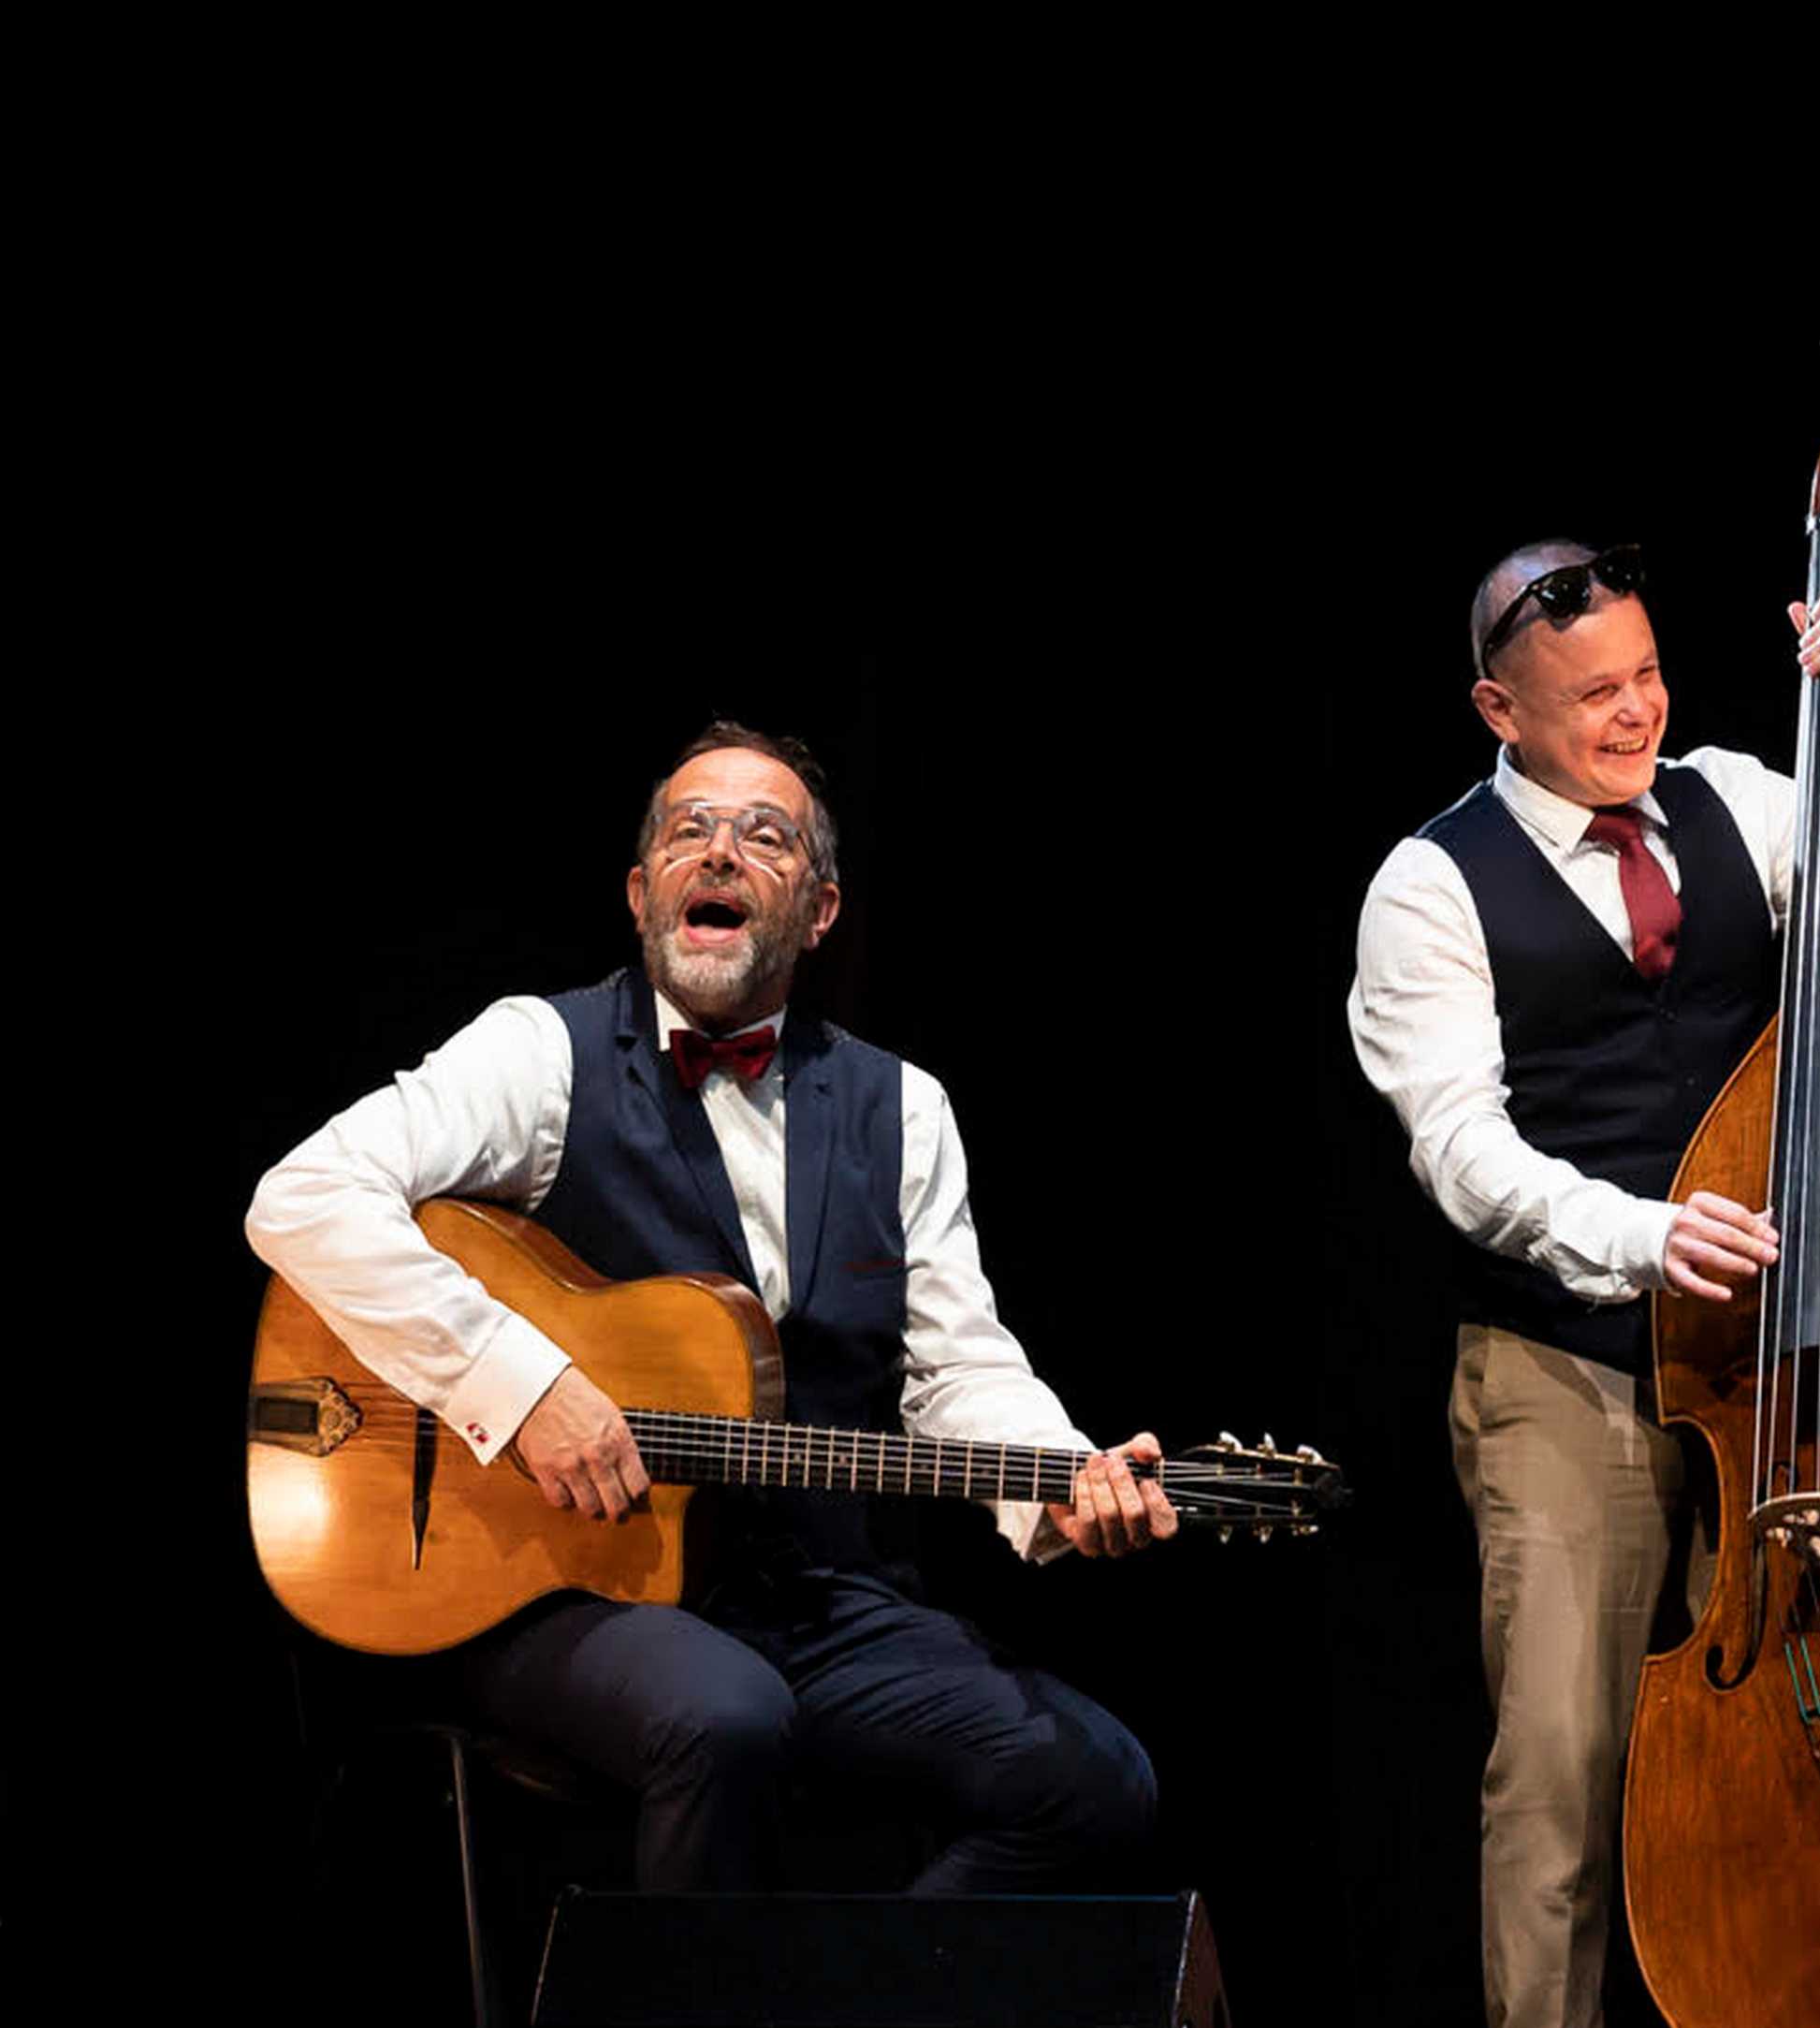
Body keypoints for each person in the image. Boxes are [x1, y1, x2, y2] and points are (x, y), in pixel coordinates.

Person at [1350, 538, 1820, 2028]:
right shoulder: (1431, 883)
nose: (1633, 714)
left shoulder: (1738, 800)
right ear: (1499, 709)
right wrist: (1645, 1237)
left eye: (1644, 676)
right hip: (1561, 1358)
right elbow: (1463, 1152)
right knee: (1563, 1757)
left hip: (1760, 1371)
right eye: (1589, 697)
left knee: (1767, 1742)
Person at [246, 722, 1177, 1896]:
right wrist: (521, 1389)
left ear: (821, 911)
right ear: (644, 894)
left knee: (1092, 1782)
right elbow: (307, 1196)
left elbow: (955, 1367)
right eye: (690, 830)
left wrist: (1059, 1475)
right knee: (725, 1717)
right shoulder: (542, 1054)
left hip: (818, 1599)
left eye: (765, 836)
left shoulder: (903, 1107)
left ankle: (846, 1999)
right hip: (570, 1591)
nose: (721, 852)